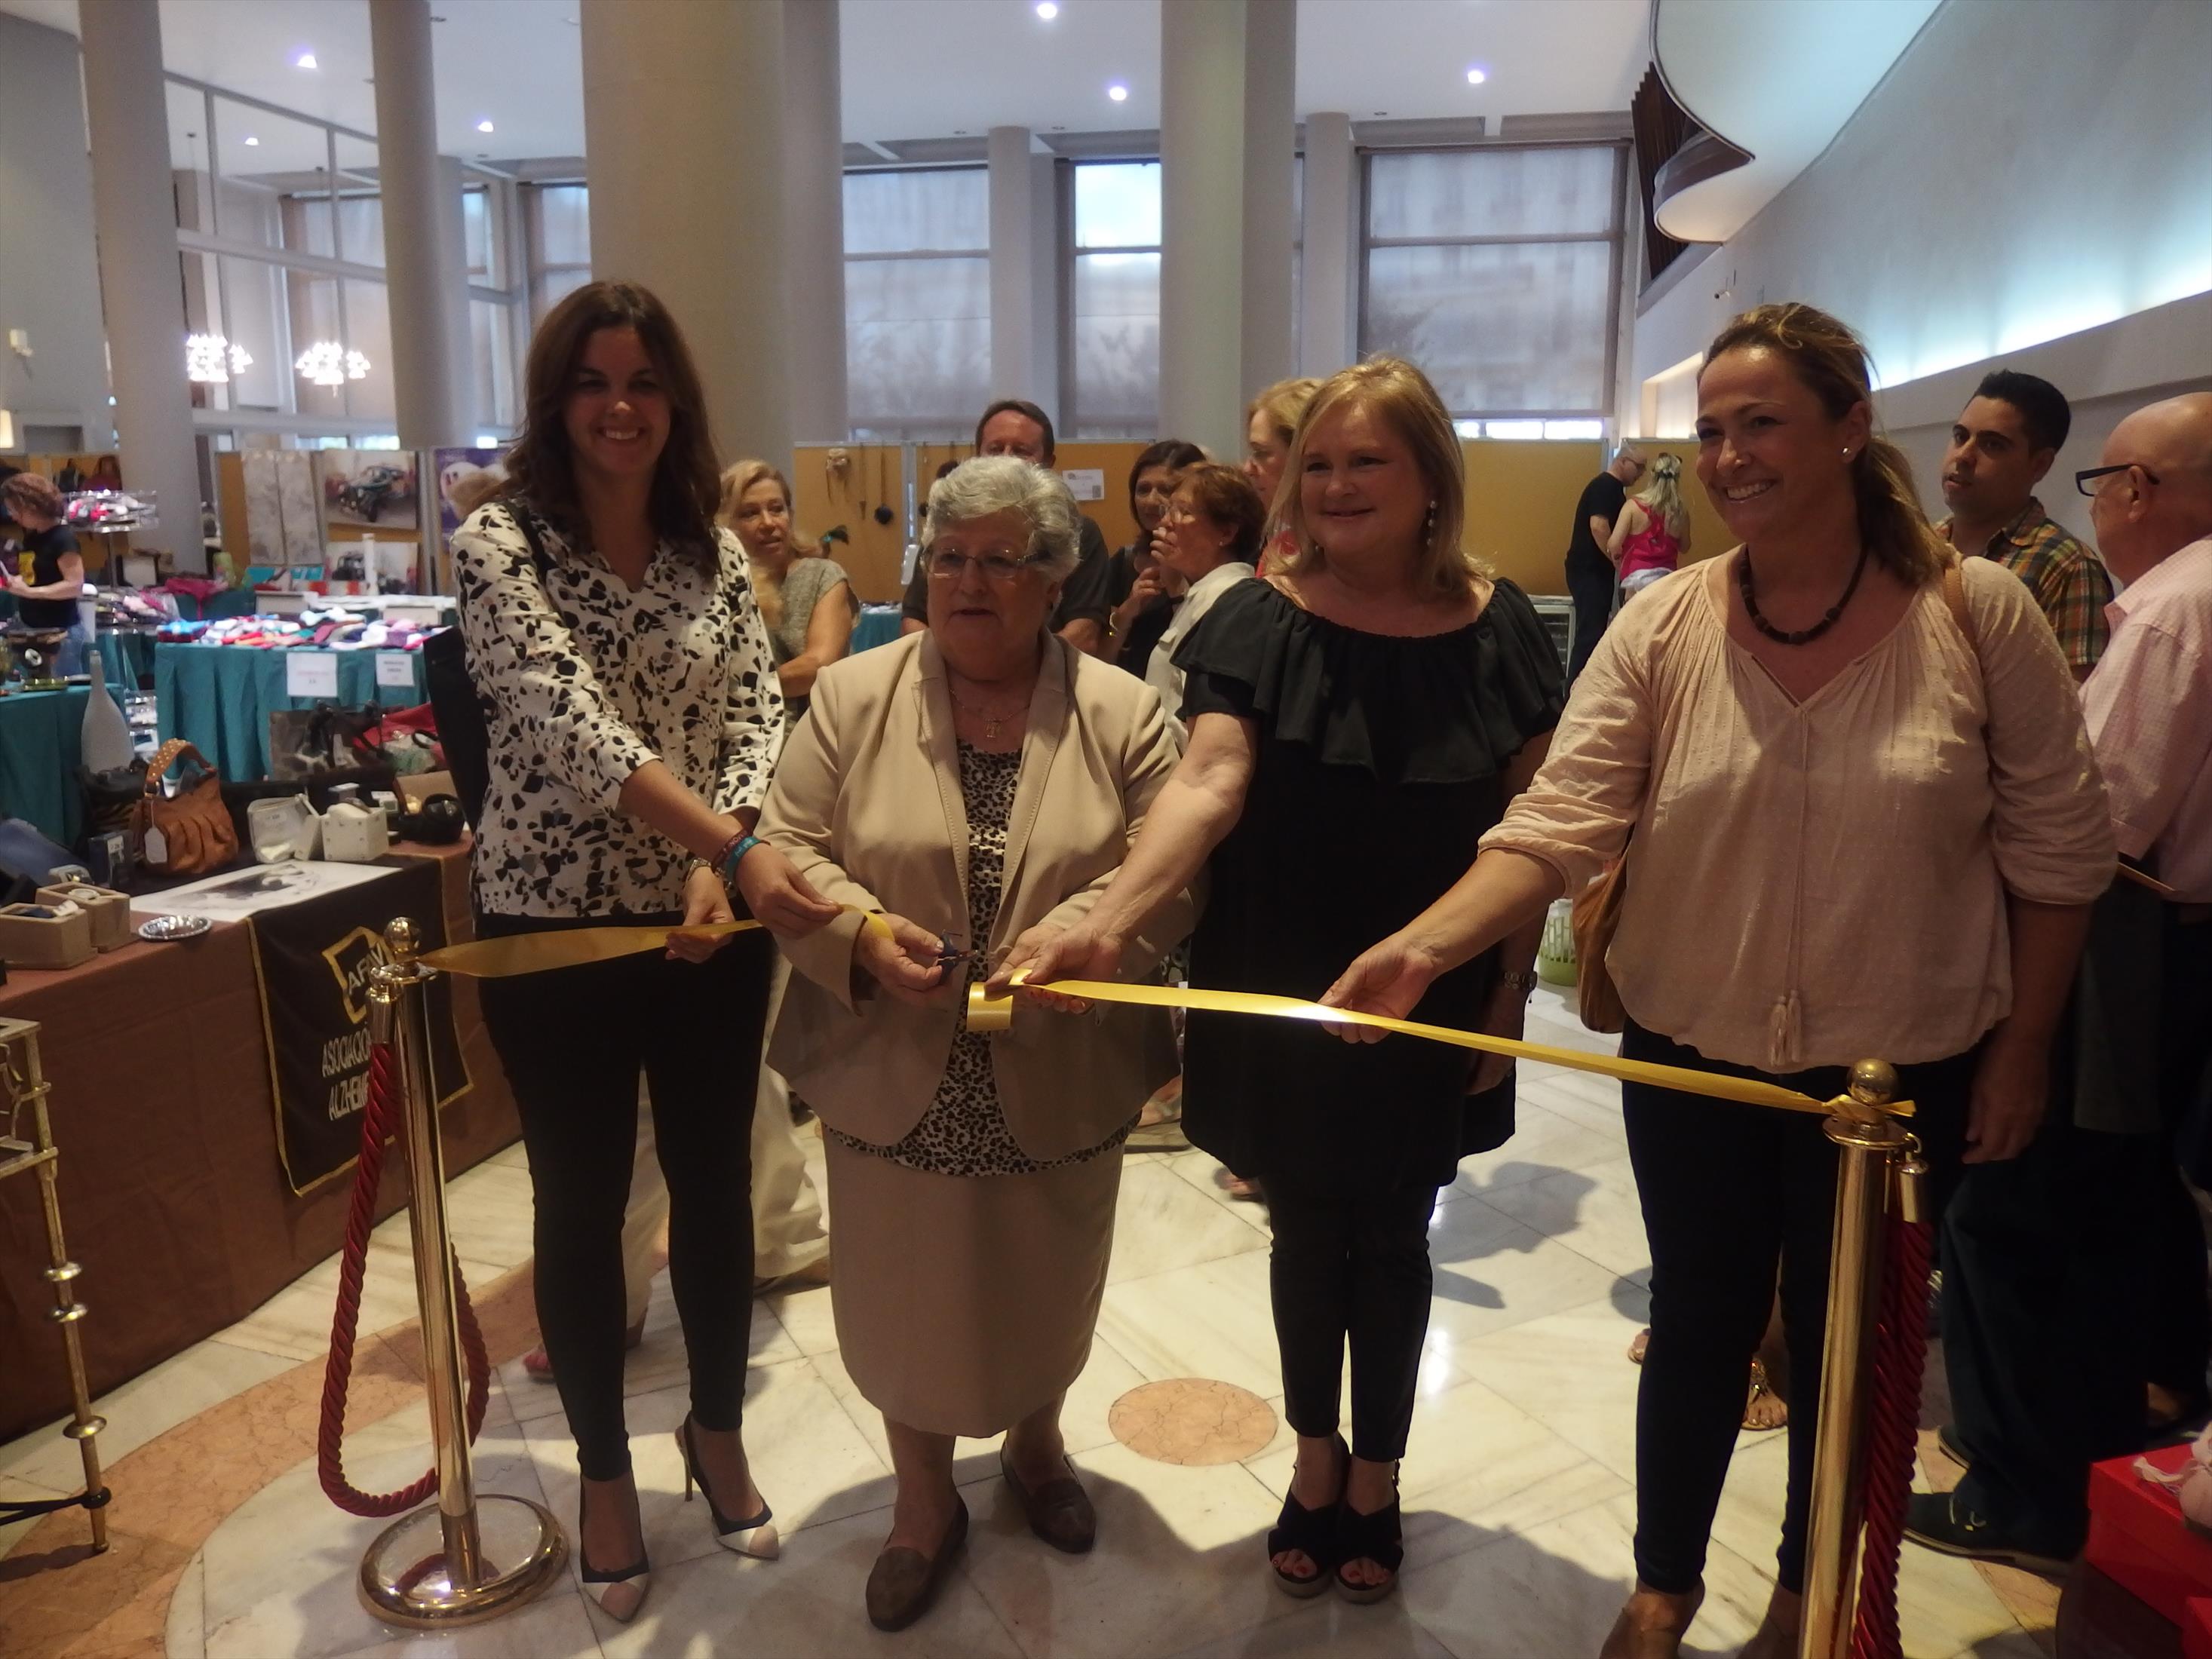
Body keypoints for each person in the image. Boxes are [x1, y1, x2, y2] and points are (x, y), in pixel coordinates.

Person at [1315, 305, 2112, 1658]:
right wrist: (1425, 946)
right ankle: (1664, 1584)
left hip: (1893, 1074)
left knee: (1851, 1351)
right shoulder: (1667, 618)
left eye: (1761, 425)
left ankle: (1811, 1594)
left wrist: (2026, 1042)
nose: (1728, 457)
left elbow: (2058, 850)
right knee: (1697, 1318)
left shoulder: (1975, 614)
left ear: (1850, 428)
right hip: (1693, 1048)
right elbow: (1561, 819)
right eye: (1709, 433)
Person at [999, 357, 1566, 1606]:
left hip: (1433, 979)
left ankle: (1378, 1473)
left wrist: (1503, 998)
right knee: (1306, 1230)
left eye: (1368, 461)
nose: (1336, 485)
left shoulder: (1501, 628)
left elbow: (1529, 830)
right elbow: (1207, 784)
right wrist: (1108, 922)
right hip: (1282, 975)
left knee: (1397, 1234)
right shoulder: (1258, 619)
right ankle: (1315, 1459)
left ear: (1430, 477)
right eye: (1318, 464)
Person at [451, 279, 842, 1624]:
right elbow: (566, 724)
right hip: (551, 919)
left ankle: (714, 1431)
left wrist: (716, 859)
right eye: (592, 383)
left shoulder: (709, 549)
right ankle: (605, 1474)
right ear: (554, 400)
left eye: (642, 383)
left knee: (715, 1183)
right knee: (579, 1197)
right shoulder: (500, 543)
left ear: (674, 400)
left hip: (705, 917)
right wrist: (732, 847)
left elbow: (751, 714)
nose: (619, 408)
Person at [759, 455, 1190, 1631]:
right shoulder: (853, 696)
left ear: (1053, 579)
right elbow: (786, 844)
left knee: (1045, 1271)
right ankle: (920, 1502)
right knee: (903, 1291)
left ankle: (1039, 1450)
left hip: (1062, 1049)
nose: (968, 581)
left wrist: (1081, 933)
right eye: (948, 557)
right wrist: (859, 930)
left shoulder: (1122, 709)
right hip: (888, 1047)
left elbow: (1168, 864)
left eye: (1001, 560)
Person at [1914, 392, 2212, 1573]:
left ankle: (2022, 1483)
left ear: (2133, 488)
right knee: (2113, 1203)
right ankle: (2101, 1430)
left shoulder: (2169, 609)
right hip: (2166, 939)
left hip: (2116, 937)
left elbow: (2093, 816)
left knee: (2017, 1202)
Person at [899, 400, 1117, 654]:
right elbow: (913, 621)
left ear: (1048, 462)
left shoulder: (1077, 532)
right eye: (995, 449)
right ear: (977, 456)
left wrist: (1011, 670)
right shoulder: (946, 525)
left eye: (1021, 451)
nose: (1005, 459)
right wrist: (960, 669)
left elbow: (1084, 635)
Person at [1937, 370, 2114, 679]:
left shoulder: (2067, 567)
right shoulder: (1919, 542)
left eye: (1992, 445)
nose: (1963, 456)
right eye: (1961, 436)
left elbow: (2073, 702)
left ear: (2039, 464)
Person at [718, 459, 857, 721]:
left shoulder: (822, 576)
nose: (768, 523)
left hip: (812, 730)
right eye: (750, 513)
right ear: (725, 525)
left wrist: (737, 691)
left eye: (776, 509)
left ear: (790, 516)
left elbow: (818, 666)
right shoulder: (719, 586)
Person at [1144, 462, 1263, 740]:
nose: (1166, 522)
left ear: (1226, 533)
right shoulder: (1202, 592)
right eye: (1169, 509)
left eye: (1184, 512)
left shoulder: (1227, 599)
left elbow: (1197, 721)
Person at [1106, 438, 1208, 670]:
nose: (1151, 501)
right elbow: (1103, 652)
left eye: (1165, 490)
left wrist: (1176, 593)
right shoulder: (1124, 561)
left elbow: (1204, 648)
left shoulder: (1210, 564)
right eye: (1143, 489)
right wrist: (1124, 615)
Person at [1565, 443, 1646, 681]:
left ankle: (1581, 689)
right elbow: (1598, 527)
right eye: (1638, 467)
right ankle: (1574, 694)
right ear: (1623, 461)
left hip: (1593, 570)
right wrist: (1617, 559)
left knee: (1593, 632)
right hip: (1589, 570)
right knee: (1589, 636)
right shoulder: (1605, 487)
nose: (1641, 474)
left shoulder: (1614, 490)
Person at [2, 472, 91, 676]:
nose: (12, 516)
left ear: (31, 506)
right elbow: (35, 575)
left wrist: (30, 592)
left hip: (59, 632)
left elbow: (74, 585)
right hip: (31, 627)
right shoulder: (32, 537)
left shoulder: (63, 538)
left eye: (14, 509)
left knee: (62, 688)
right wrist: (16, 581)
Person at [1244, 376, 1321, 574]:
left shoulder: (1353, 554)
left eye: (1261, 452)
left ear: (1303, 454)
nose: (1247, 469)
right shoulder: (1281, 548)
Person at [1606, 452, 1691, 601]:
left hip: (1635, 580)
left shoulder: (1633, 506)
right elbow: (1685, 546)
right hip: (1666, 581)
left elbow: (1614, 544)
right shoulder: (1680, 512)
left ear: (1652, 475)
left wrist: (1619, 559)